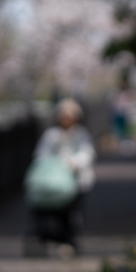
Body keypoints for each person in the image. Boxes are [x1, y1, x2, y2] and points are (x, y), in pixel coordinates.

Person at [26, 98, 95, 255]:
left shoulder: (81, 134)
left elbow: (87, 154)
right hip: (52, 181)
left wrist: (72, 163)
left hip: (74, 181)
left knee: (71, 213)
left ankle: (68, 238)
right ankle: (48, 236)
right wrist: (54, 164)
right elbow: (40, 155)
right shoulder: (51, 135)